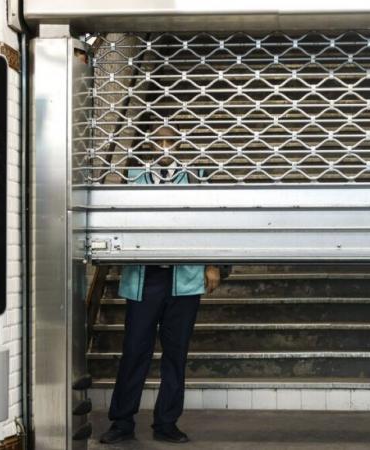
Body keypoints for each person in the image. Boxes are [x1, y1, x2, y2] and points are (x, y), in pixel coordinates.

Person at [99, 126, 222, 444]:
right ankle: (122, 421)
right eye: (159, 140)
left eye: (171, 141)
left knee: (175, 354)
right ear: (149, 144)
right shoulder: (133, 176)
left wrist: (213, 265)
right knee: (134, 351)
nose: (165, 147)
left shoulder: (196, 177)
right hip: (144, 279)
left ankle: (166, 422)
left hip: (184, 279)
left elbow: (213, 222)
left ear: (181, 143)